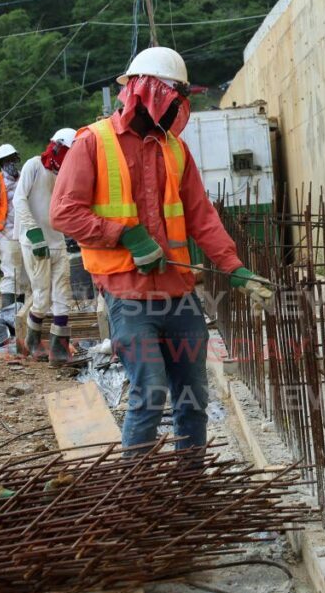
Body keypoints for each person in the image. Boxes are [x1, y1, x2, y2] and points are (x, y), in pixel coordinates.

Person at [50, 46, 273, 452]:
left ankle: (191, 488)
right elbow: (64, 212)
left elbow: (202, 218)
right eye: (172, 97)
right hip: (127, 294)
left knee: (193, 398)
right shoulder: (93, 143)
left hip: (179, 292)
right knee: (150, 392)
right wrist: (125, 234)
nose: (176, 109)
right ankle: (139, 493)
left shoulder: (175, 149)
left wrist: (235, 269)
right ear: (143, 91)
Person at [14, 128, 77, 365]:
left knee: (63, 294)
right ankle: (31, 340)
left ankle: (59, 350)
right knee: (42, 297)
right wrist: (33, 232)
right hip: (33, 242)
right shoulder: (33, 166)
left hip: (57, 240)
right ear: (57, 147)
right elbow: (18, 199)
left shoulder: (64, 174)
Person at [0, 144, 29, 308]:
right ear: (1, 162)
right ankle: (8, 315)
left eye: (14, 159)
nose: (12, 162)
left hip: (24, 234)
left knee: (23, 277)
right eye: (8, 160)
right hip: (6, 236)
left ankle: (19, 317)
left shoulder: (23, 177)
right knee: (11, 275)